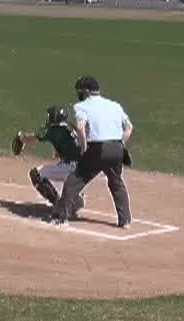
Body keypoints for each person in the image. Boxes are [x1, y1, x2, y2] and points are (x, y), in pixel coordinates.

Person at [50, 76, 133, 228]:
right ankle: (125, 220)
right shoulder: (115, 105)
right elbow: (129, 128)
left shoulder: (81, 106)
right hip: (117, 149)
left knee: (74, 181)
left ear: (86, 92)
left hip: (97, 148)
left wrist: (84, 147)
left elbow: (81, 127)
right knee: (116, 183)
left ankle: (61, 217)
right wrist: (120, 144)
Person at [16, 106, 85, 215]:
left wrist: (20, 139)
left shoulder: (54, 130)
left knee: (36, 174)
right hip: (82, 169)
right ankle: (75, 196)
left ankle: (59, 203)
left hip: (70, 168)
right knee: (60, 168)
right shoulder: (71, 127)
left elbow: (32, 137)